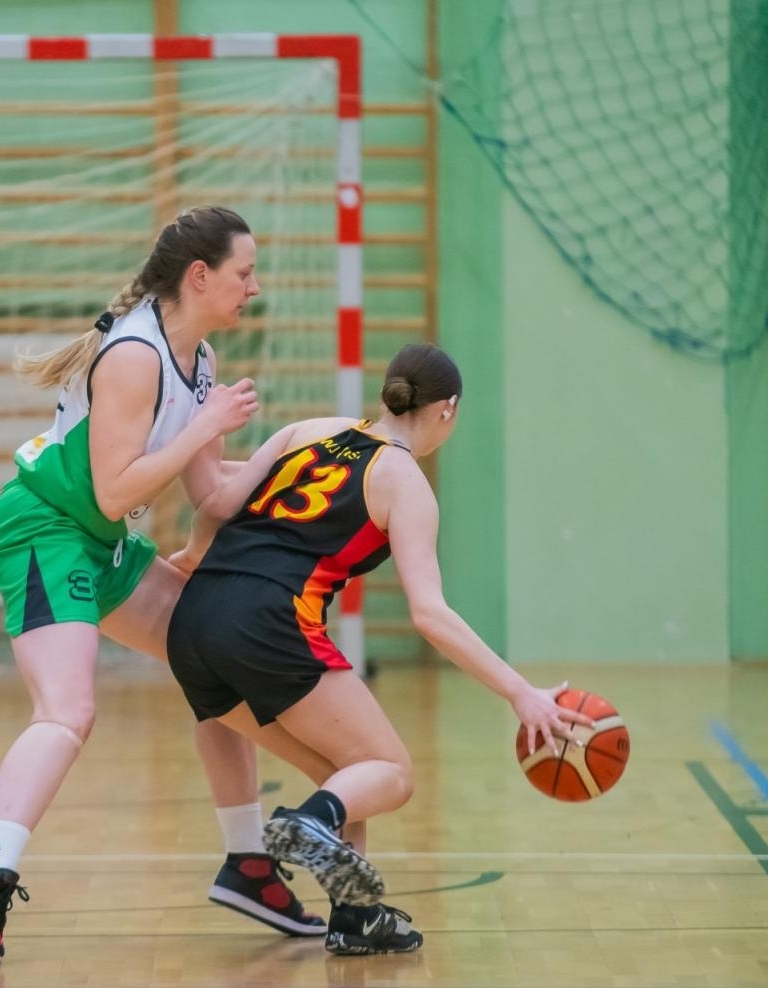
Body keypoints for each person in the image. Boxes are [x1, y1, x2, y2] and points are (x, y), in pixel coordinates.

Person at [0, 206, 326, 966]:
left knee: (218, 649)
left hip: (99, 539)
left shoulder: (199, 359)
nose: (255, 287)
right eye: (244, 273)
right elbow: (116, 491)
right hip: (43, 530)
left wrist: (292, 452)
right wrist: (203, 426)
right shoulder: (135, 356)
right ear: (201, 275)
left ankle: (248, 863)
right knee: (68, 709)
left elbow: (212, 494)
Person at [163, 342, 593, 954]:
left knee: (347, 773)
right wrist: (520, 693)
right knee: (390, 773)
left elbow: (217, 503)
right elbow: (430, 614)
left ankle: (355, 916)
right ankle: (305, 823)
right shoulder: (405, 483)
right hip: (268, 619)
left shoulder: (306, 431)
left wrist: (191, 557)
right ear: (447, 410)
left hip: (194, 619)